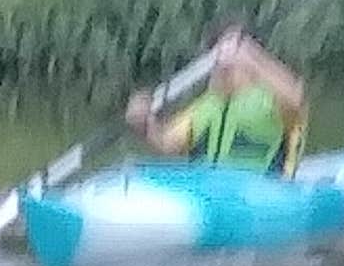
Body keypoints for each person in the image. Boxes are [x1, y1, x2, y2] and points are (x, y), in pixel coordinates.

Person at [129, 25, 307, 174]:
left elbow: (296, 99)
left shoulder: (273, 101)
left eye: (233, 56)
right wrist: (145, 123)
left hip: (264, 196)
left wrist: (252, 57)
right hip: (211, 196)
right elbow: (166, 144)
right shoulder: (204, 106)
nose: (225, 67)